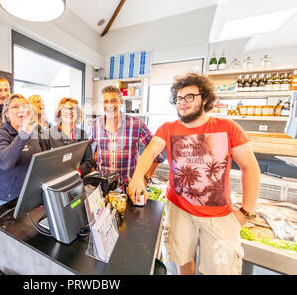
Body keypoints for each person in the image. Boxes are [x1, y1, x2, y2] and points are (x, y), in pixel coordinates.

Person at [128, 73, 260, 275]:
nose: (182, 103)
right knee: (181, 260)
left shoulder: (228, 128)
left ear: (205, 98)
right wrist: (138, 176)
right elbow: (151, 151)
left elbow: (250, 168)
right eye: (179, 98)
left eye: (189, 97)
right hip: (179, 210)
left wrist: (246, 212)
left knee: (221, 271)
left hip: (219, 215)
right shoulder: (168, 128)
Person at [89, 85, 162, 190]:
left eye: (114, 101)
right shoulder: (95, 124)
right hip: (102, 187)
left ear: (121, 102)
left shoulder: (136, 124)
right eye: (106, 102)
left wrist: (146, 178)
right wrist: (91, 169)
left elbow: (157, 152)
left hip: (129, 187)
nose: (109, 105)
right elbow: (85, 149)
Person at [0, 94, 49, 208]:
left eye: (24, 106)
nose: (21, 110)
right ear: (6, 113)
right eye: (15, 107)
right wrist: (23, 133)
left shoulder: (35, 134)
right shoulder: (0, 134)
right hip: (8, 201)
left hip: (32, 196)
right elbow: (5, 163)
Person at [49, 97, 94, 177]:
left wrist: (77, 172)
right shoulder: (49, 135)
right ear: (59, 113)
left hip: (77, 180)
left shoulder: (82, 134)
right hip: (55, 180)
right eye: (66, 109)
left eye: (74, 109)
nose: (70, 112)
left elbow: (89, 161)